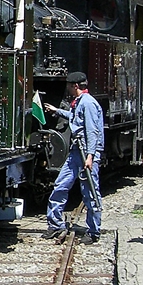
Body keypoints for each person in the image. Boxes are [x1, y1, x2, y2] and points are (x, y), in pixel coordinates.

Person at [42, 71, 105, 244]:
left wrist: (91, 156)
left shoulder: (89, 103)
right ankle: (55, 224)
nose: (67, 89)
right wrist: (58, 111)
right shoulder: (80, 102)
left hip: (86, 153)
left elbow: (92, 130)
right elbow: (76, 119)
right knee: (60, 185)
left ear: (75, 86)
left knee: (90, 191)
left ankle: (93, 231)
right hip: (77, 151)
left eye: (69, 86)